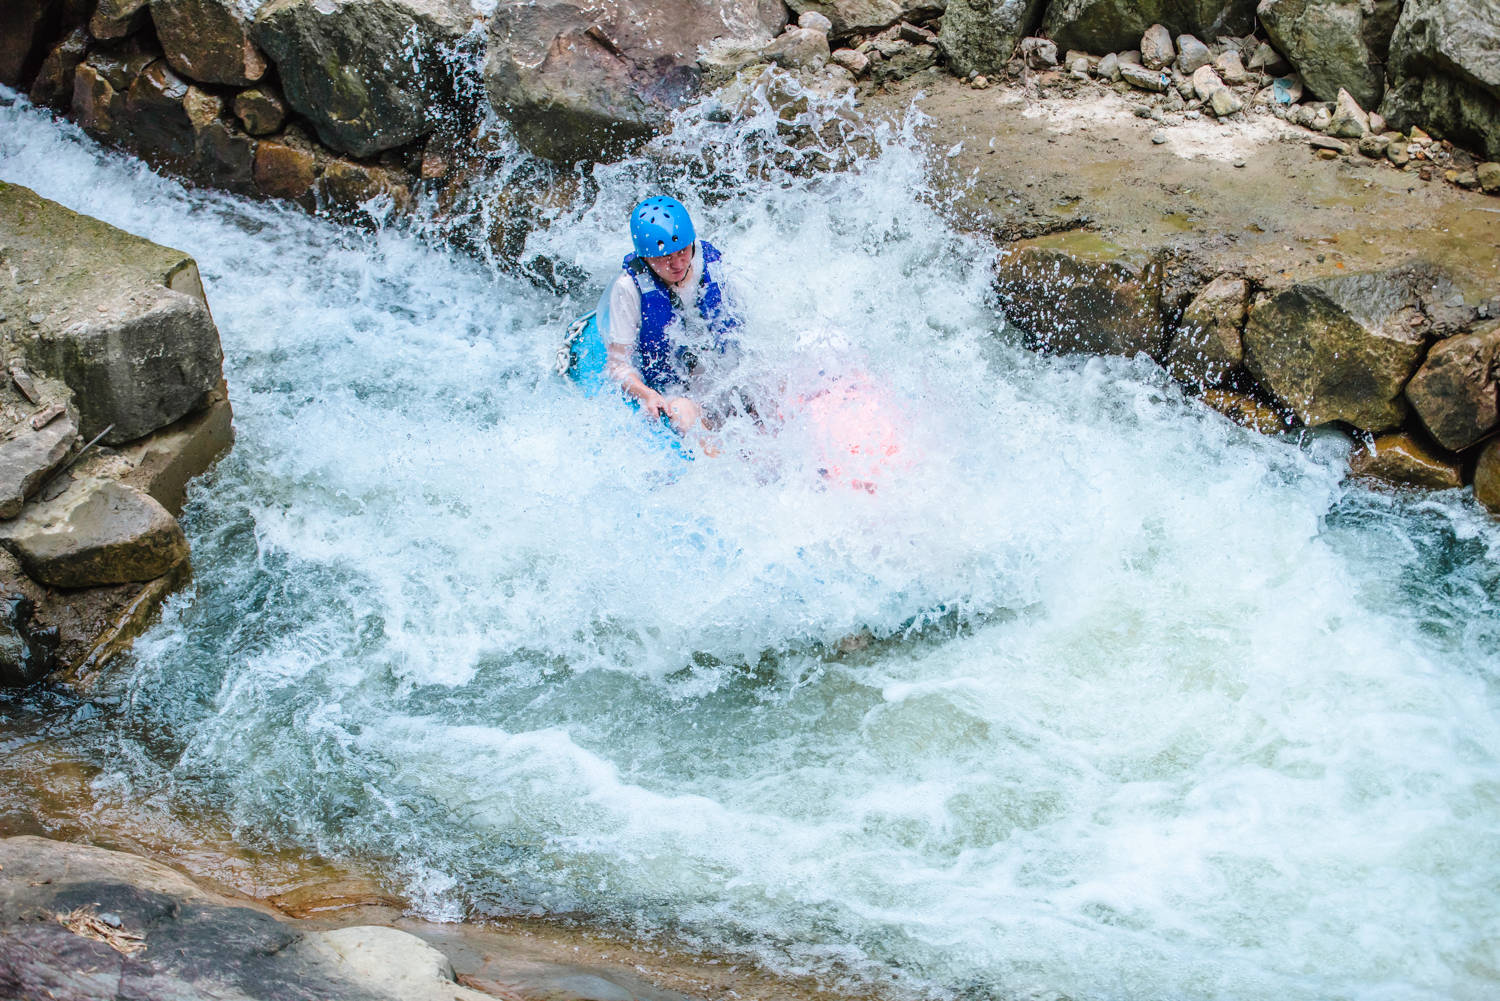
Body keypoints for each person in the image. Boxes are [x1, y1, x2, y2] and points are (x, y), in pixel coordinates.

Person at [597, 196, 743, 436]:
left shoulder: (713, 264)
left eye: (682, 251)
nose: (677, 264)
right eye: (664, 258)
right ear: (645, 257)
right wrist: (647, 394)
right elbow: (618, 364)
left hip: (722, 371)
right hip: (672, 385)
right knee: (684, 415)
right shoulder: (628, 288)